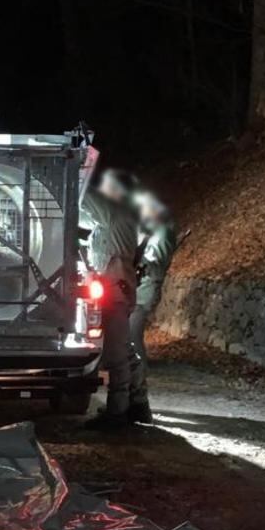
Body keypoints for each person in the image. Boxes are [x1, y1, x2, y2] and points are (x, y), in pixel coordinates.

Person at [79, 167, 143, 430]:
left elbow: (84, 198)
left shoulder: (114, 213)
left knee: (117, 353)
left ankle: (118, 413)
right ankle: (137, 404)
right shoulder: (119, 215)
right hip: (120, 288)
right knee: (124, 350)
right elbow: (84, 218)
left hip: (115, 291)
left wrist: (77, 174)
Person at [128, 189, 178, 423]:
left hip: (142, 291)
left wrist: (138, 263)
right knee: (130, 340)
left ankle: (137, 397)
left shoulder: (162, 231)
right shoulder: (152, 229)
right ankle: (133, 396)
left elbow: (153, 263)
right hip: (138, 289)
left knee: (132, 340)